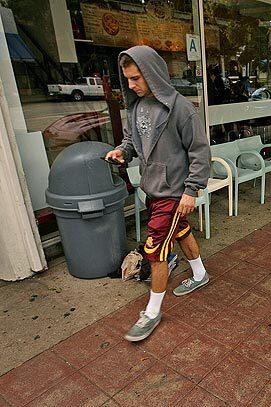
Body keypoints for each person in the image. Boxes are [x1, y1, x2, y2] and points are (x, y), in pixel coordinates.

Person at [105, 45, 211, 342]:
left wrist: (191, 190)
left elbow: (200, 152)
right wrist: (122, 152)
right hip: (151, 188)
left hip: (174, 192)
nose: (131, 85)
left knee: (154, 250)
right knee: (180, 233)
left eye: (136, 78)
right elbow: (131, 139)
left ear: (152, 73)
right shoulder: (137, 107)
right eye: (127, 79)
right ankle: (200, 275)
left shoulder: (181, 108)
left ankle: (152, 312)